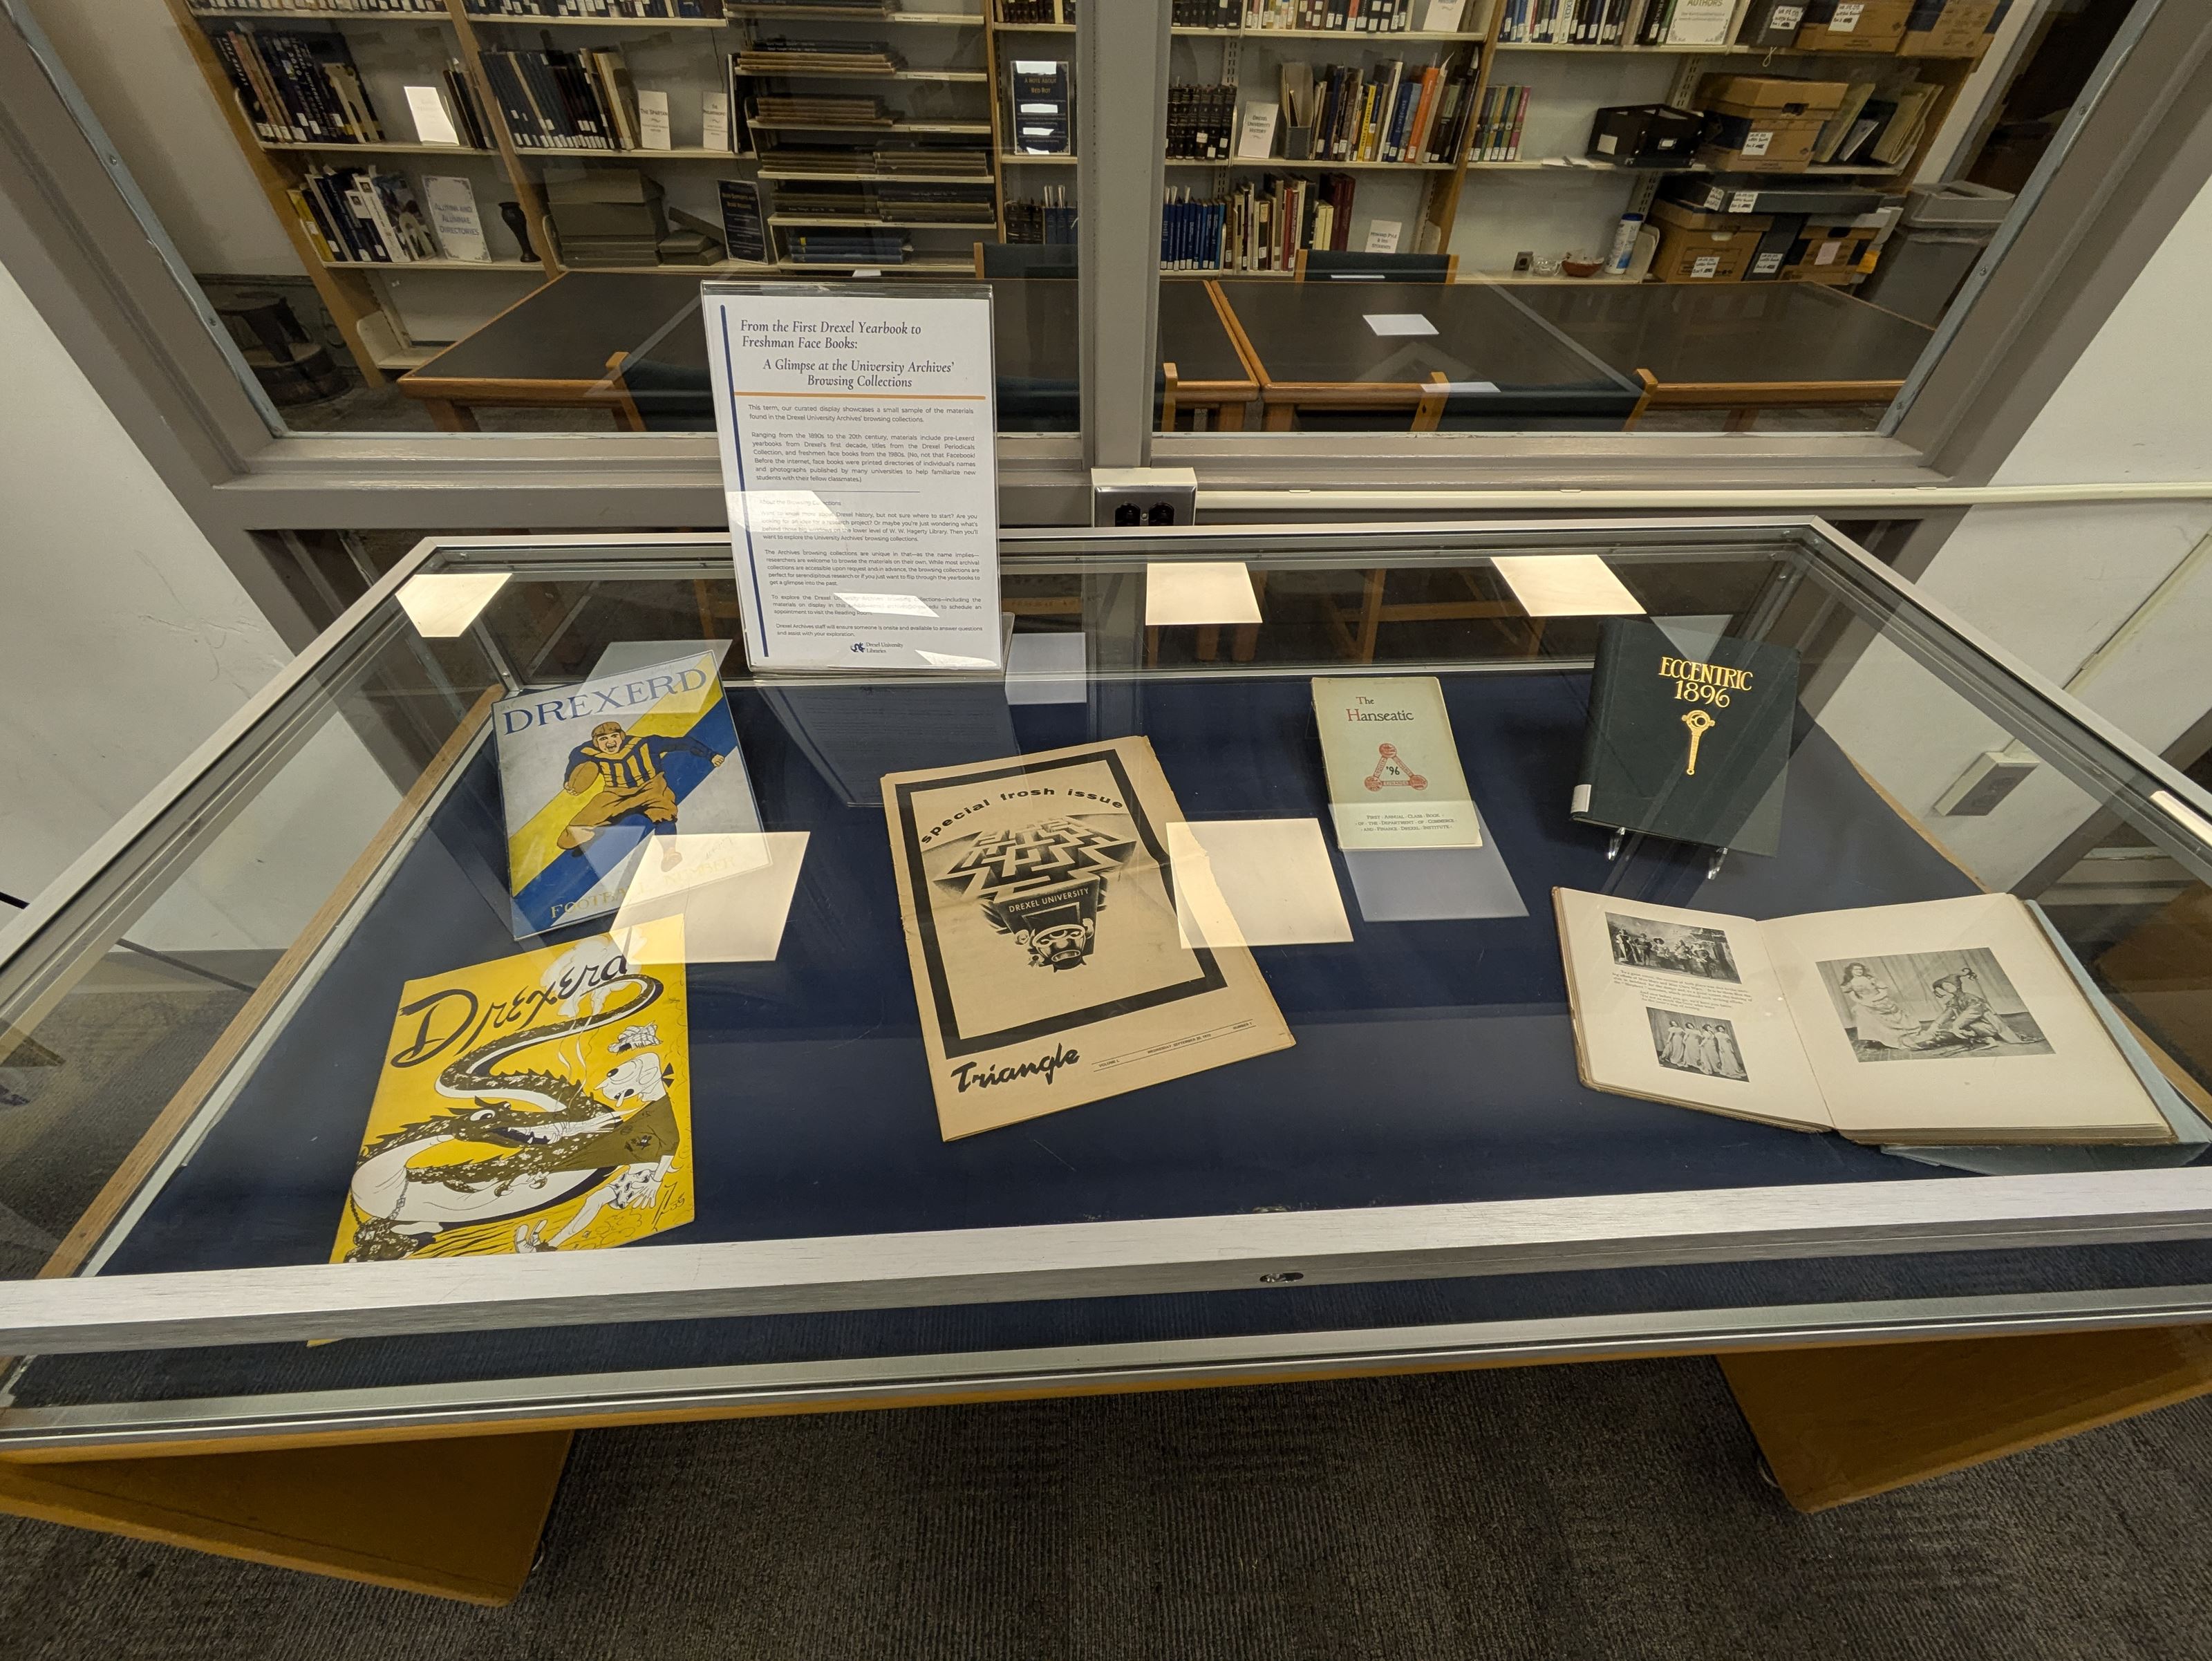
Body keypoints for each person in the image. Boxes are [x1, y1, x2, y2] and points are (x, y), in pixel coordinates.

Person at [558, 720, 724, 855]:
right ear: (596, 742)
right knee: (571, 833)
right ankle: (588, 838)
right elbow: (575, 759)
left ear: (622, 736)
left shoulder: (645, 744)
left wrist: (711, 755)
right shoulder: (587, 751)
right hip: (616, 793)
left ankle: (669, 853)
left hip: (650, 787)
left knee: (664, 812)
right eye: (603, 739)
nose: (610, 742)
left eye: (614, 736)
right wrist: (568, 779)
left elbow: (684, 743)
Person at [1927, 967, 2032, 1049]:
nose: (1945, 989)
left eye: (1948, 986)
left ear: (1957, 985)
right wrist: (1936, 1024)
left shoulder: (1972, 999)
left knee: (1955, 1031)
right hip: (1975, 1026)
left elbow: (1971, 1014)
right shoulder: (1955, 1000)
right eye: (1944, 987)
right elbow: (1948, 1013)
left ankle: (1983, 1038)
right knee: (1952, 1031)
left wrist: (1956, 1026)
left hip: (1989, 1027)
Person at [1838, 961, 1927, 1049]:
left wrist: (1873, 1000)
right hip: (1866, 1003)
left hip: (1881, 1001)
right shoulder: (1849, 984)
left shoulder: (1871, 979)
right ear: (1851, 971)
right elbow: (1854, 997)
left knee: (1889, 1016)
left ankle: (1897, 1037)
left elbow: (1884, 992)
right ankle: (1874, 1038)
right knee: (1861, 1011)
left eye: (1860, 969)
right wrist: (1864, 1002)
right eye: (1856, 970)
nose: (1859, 971)